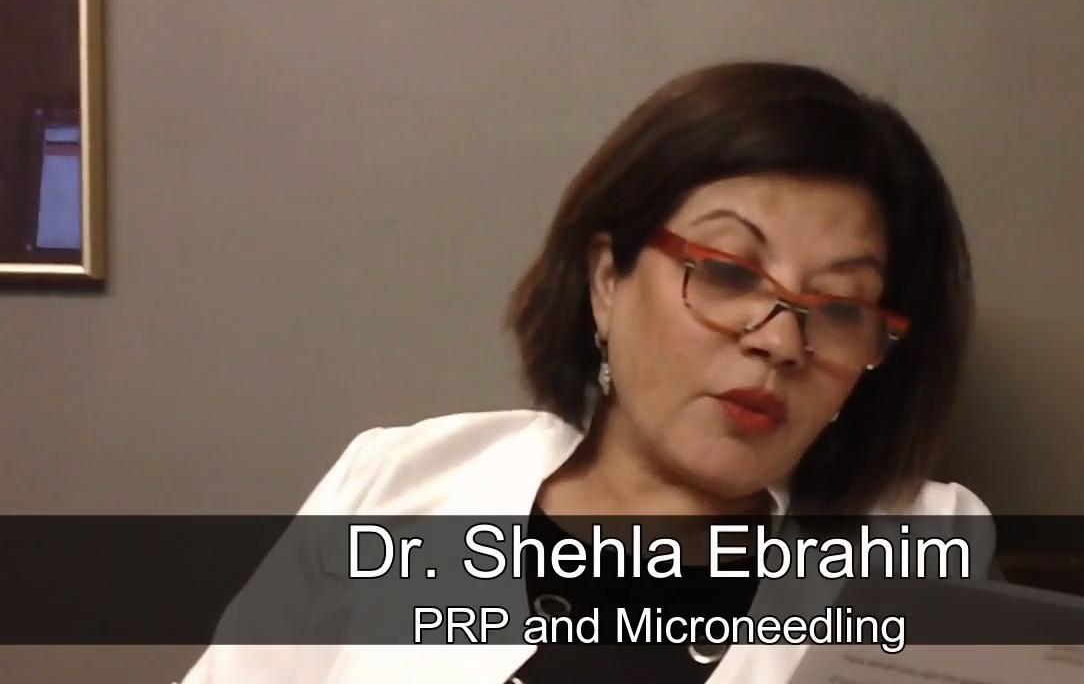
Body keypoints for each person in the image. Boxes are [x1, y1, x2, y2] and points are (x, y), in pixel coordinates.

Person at [179, 61, 993, 684]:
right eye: (727, 272)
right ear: (607, 281)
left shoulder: (919, 546)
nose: (781, 341)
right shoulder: (401, 483)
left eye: (840, 308)